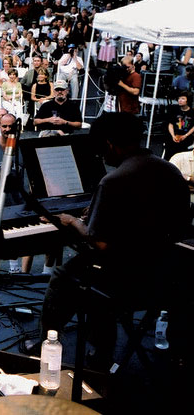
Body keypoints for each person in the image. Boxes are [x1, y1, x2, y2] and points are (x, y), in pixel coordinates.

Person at [41, 113, 190, 366]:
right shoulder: (170, 170)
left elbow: (100, 243)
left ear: (109, 144)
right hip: (168, 276)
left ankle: (49, 344)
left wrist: (73, 221)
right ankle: (99, 349)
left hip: (127, 281)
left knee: (64, 277)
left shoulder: (114, 180)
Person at [164, 92, 194, 159]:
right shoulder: (174, 110)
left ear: (188, 100)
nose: (180, 100)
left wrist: (186, 135)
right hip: (174, 136)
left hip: (186, 138)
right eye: (179, 98)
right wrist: (172, 135)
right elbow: (170, 124)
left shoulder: (192, 112)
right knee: (169, 153)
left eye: (183, 98)